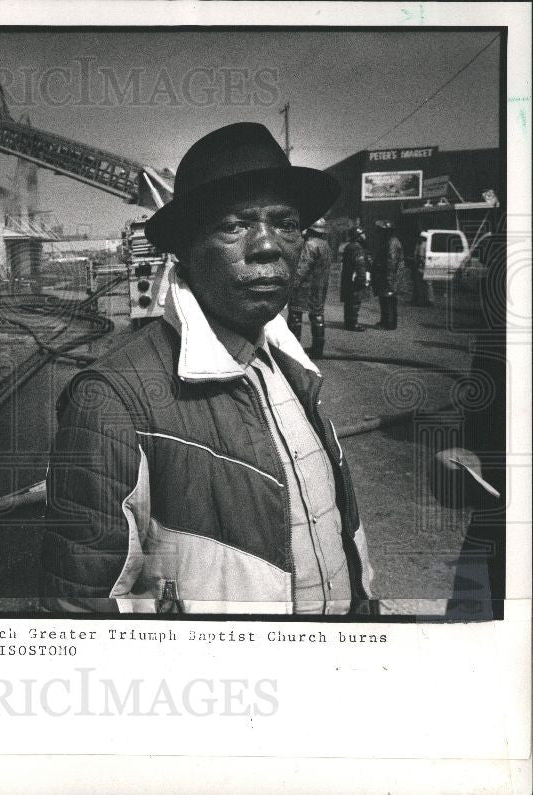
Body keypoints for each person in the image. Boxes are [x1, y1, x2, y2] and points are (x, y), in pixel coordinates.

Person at [41, 122, 377, 615]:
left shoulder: (295, 372)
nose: (268, 245)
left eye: (285, 223)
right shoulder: (113, 400)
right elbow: (81, 610)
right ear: (184, 250)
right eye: (234, 225)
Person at [286, 217, 332, 359]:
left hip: (305, 288)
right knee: (317, 315)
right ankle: (318, 349)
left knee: (295, 316)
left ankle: (291, 352)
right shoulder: (325, 245)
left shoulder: (310, 244)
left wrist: (291, 285)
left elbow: (302, 268)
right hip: (320, 286)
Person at [372, 220, 404, 329]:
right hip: (387, 276)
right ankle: (386, 321)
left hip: (389, 277)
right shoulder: (389, 241)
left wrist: (389, 280)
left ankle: (388, 324)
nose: (379, 233)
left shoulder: (391, 243)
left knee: (388, 300)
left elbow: (391, 262)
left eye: (381, 231)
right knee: (386, 299)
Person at [340, 226, 372, 331]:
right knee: (354, 301)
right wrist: (362, 279)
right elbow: (360, 264)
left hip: (348, 278)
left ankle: (348, 322)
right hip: (355, 279)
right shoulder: (357, 248)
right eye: (362, 234)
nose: (364, 236)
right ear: (357, 236)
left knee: (349, 301)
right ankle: (353, 323)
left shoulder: (349, 246)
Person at [410, 234, 435, 306]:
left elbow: (421, 257)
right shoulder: (421, 244)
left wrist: (419, 263)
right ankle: (427, 299)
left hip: (423, 265)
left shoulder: (423, 245)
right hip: (424, 265)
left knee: (424, 283)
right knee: (425, 284)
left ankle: (426, 300)